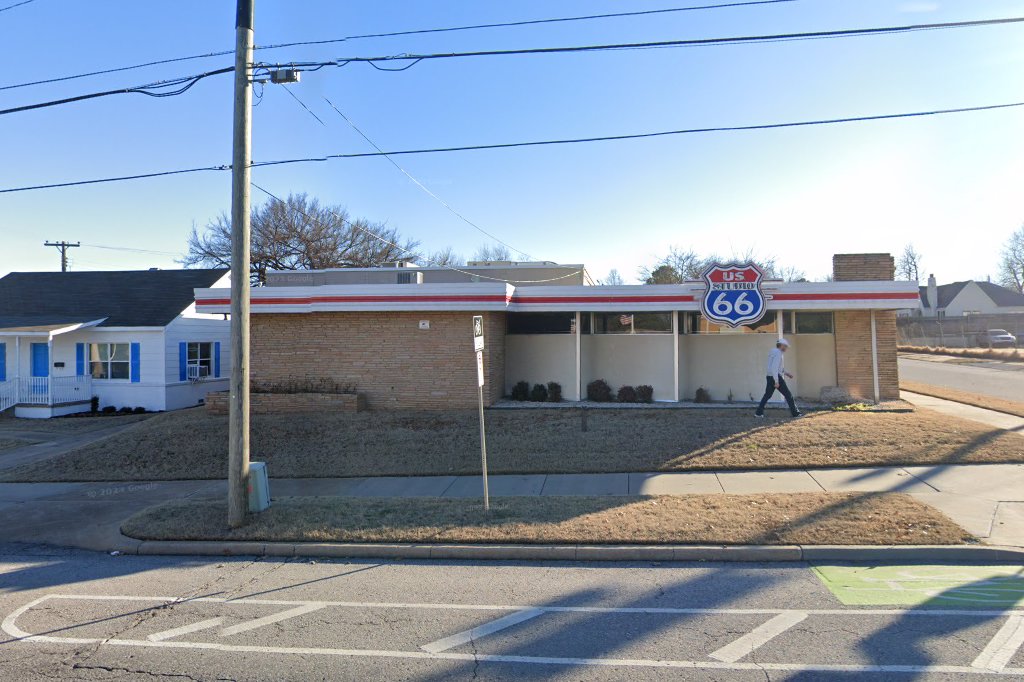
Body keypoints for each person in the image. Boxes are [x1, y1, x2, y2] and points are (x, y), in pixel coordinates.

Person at [755, 338, 802, 418]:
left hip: (769, 377)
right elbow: (774, 368)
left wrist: (786, 373)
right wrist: (776, 381)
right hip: (776, 377)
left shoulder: (773, 351)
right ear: (781, 345)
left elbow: (776, 367)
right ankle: (796, 413)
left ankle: (758, 413)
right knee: (788, 395)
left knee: (767, 395)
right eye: (785, 346)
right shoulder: (778, 353)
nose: (786, 348)